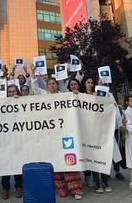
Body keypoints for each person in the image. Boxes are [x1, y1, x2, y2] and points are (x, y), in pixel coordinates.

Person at [31, 71, 83, 200]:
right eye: (50, 84)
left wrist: (76, 94)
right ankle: (61, 189)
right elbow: (35, 88)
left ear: (57, 85)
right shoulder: (44, 95)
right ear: (47, 86)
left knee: (69, 160)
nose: (52, 85)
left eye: (54, 83)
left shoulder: (65, 95)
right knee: (55, 161)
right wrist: (32, 74)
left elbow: (74, 100)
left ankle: (76, 189)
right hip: (50, 134)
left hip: (65, 133)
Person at [80, 76, 112, 193]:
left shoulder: (98, 93)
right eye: (88, 82)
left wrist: (101, 88)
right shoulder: (81, 96)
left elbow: (107, 103)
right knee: (93, 157)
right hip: (88, 131)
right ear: (85, 84)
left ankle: (105, 181)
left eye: (92, 83)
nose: (90, 84)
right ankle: (97, 182)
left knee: (102, 155)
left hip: (100, 129)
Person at [1, 84, 23, 200]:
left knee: (18, 162)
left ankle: (19, 186)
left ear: (17, 92)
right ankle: (5, 188)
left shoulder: (23, 102)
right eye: (9, 91)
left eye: (13, 91)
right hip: (6, 138)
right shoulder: (2, 104)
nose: (11, 93)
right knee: (6, 163)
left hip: (18, 137)